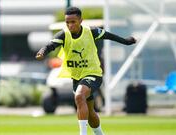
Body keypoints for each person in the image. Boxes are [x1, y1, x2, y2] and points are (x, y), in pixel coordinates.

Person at [36, 7, 136, 135]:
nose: (70, 25)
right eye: (67, 22)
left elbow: (109, 35)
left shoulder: (91, 32)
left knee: (79, 95)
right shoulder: (64, 35)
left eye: (73, 22)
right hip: (77, 77)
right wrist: (42, 52)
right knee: (90, 114)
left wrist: (126, 41)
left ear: (81, 20)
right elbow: (50, 46)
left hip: (93, 74)